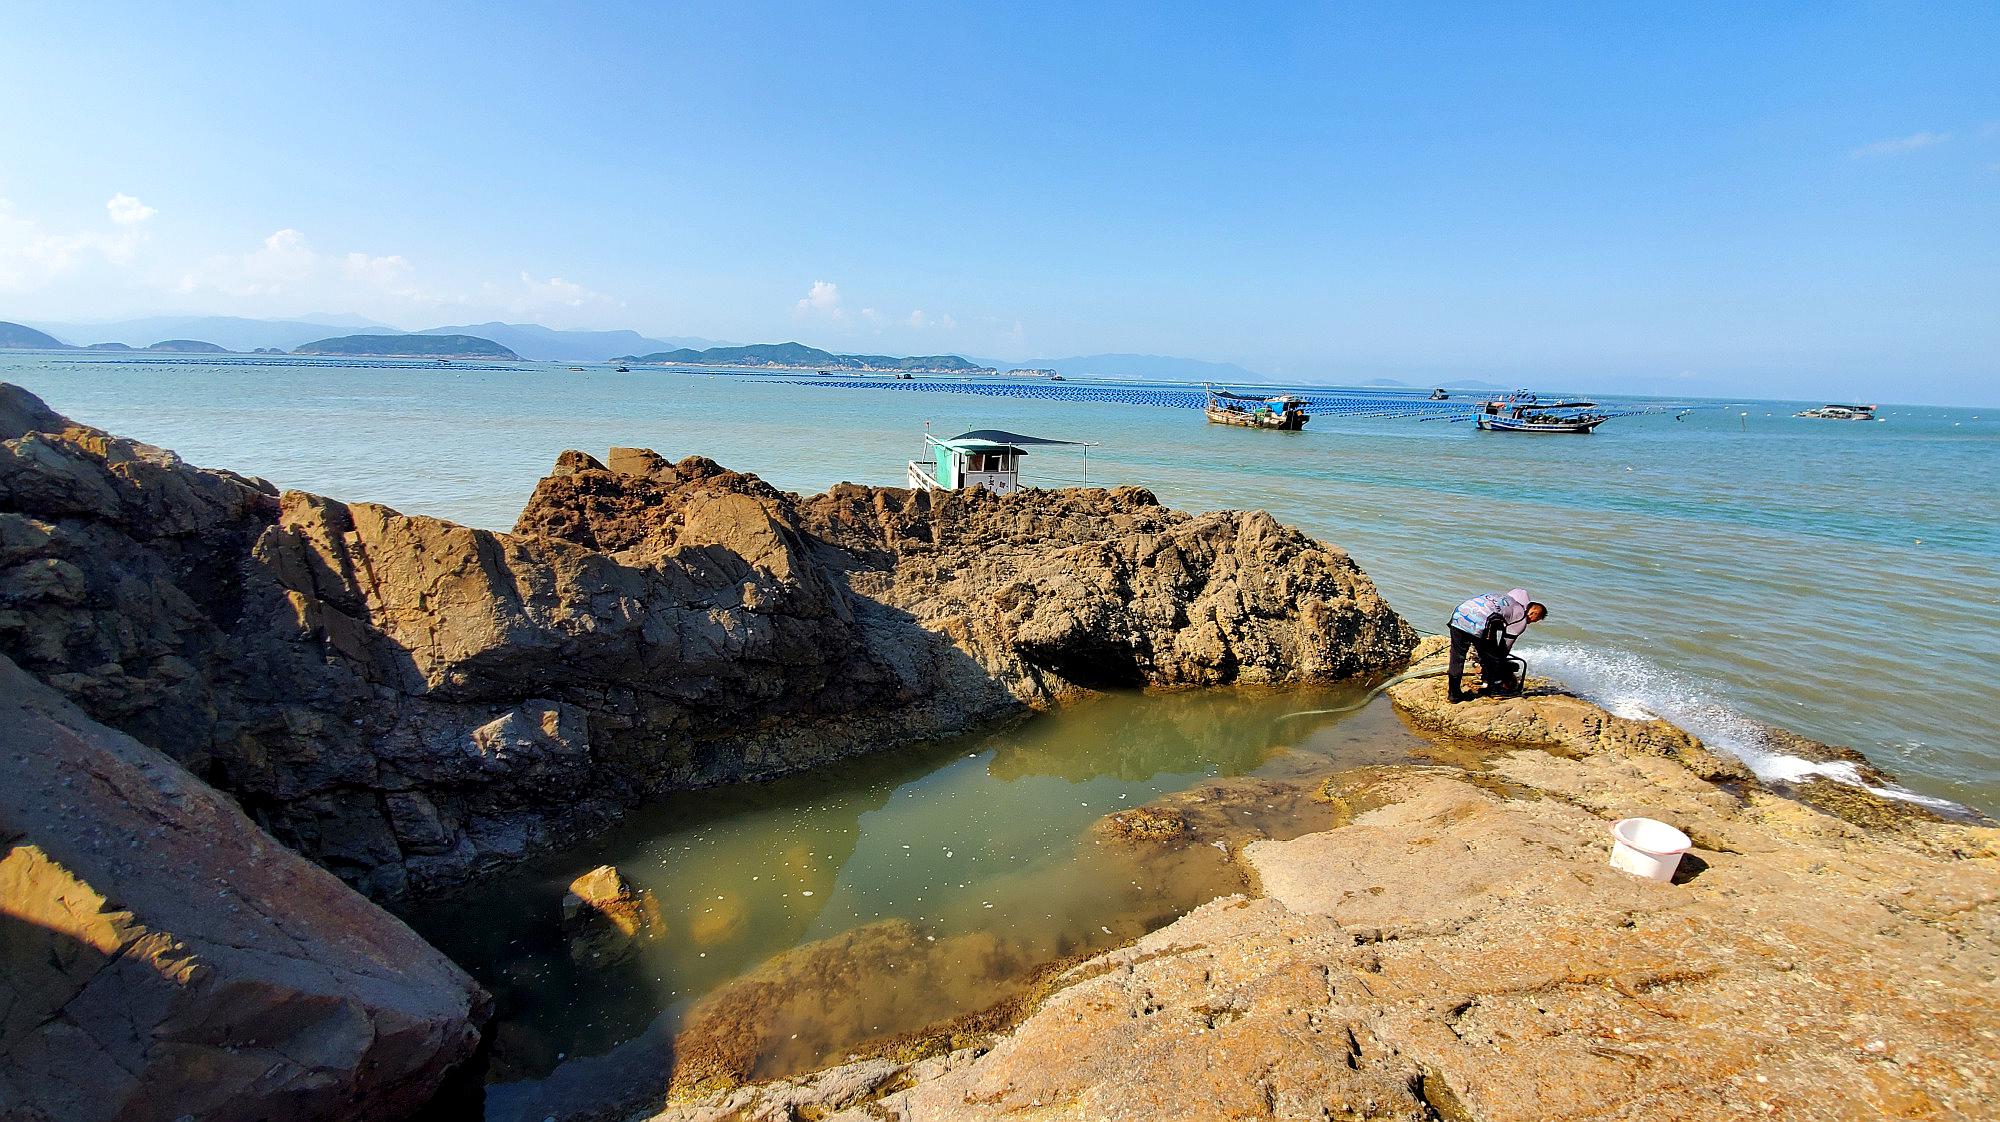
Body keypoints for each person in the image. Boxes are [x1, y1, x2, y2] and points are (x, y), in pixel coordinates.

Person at [1446, 588, 1547, 702]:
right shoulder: (1521, 617)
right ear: (1533, 612)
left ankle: (1454, 695)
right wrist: (1498, 665)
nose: (1531, 622)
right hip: (1480, 622)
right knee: (1493, 658)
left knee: (1457, 659)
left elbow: (1492, 625)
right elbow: (1504, 648)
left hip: (1459, 615)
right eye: (1535, 620)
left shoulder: (1502, 599)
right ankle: (1494, 690)